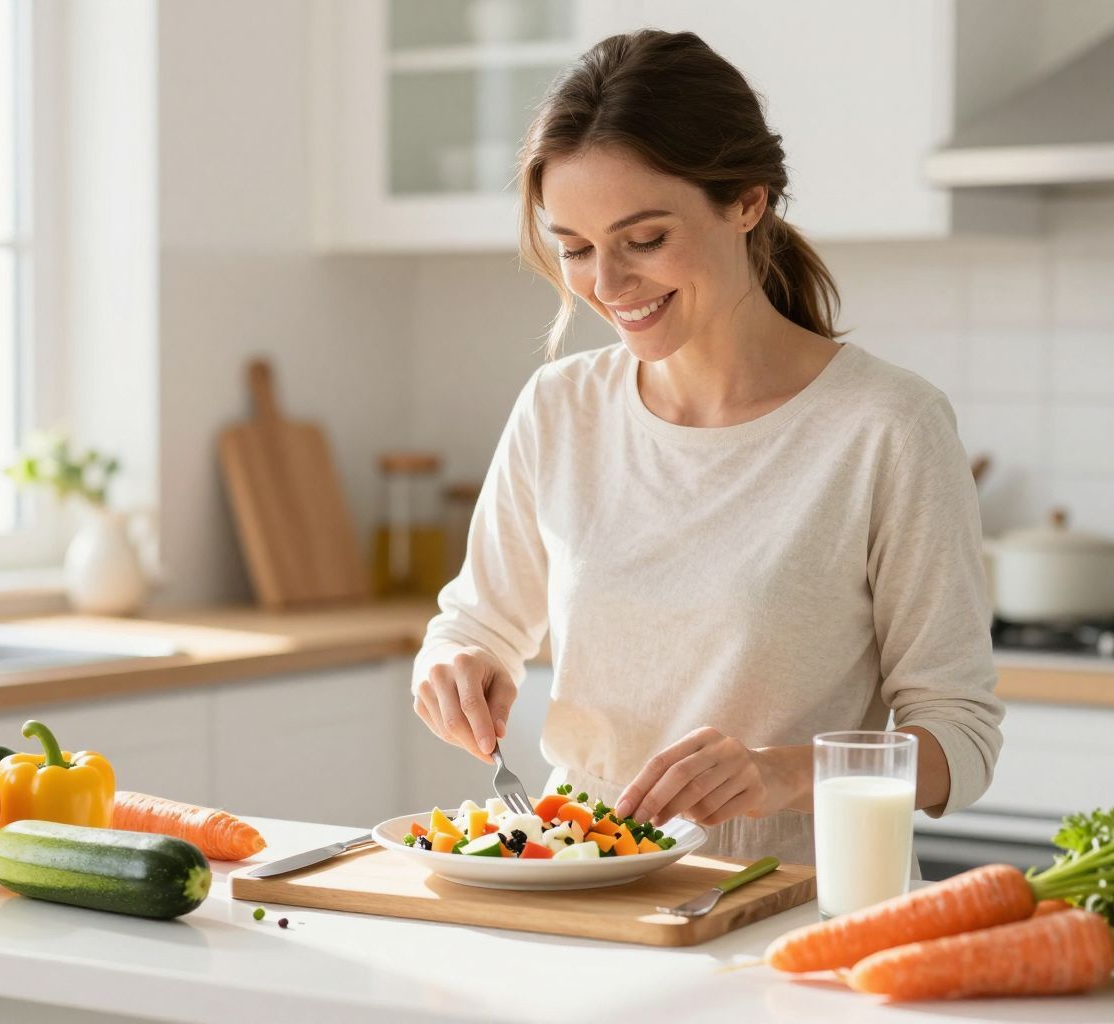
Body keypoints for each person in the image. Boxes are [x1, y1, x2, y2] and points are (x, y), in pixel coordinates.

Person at [410, 29, 1002, 863]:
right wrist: (452, 666)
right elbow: (473, 624)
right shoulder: (560, 407)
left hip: (794, 918)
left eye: (644, 240)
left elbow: (961, 740)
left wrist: (781, 776)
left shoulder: (886, 426)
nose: (606, 287)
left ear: (747, 200)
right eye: (575, 249)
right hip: (581, 892)